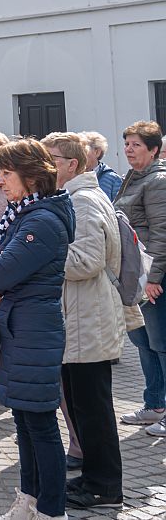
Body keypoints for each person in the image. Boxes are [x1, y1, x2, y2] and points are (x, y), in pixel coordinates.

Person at [0, 139, 73, 520]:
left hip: (34, 330)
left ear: (31, 176)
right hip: (22, 328)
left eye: (7, 173)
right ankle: (29, 504)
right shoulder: (27, 212)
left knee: (41, 426)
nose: (1, 181)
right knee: (25, 422)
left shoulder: (41, 221)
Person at [41, 132, 124, 507]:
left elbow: (86, 262)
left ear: (71, 164)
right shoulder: (73, 197)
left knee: (93, 410)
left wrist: (43, 254)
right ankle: (93, 477)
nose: (46, 167)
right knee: (80, 406)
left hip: (88, 319)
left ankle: (105, 486)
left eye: (52, 160)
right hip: (78, 318)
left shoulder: (84, 201)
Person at [114, 121, 166, 436]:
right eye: (127, 144)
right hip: (136, 275)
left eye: (136, 145)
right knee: (142, 341)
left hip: (153, 278)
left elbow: (162, 232)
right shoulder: (133, 177)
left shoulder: (157, 181)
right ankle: (154, 405)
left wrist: (153, 278)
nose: (129, 150)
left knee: (161, 344)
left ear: (154, 149)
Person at [79, 131, 123, 202]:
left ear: (97, 152)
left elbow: (120, 206)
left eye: (83, 150)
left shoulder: (113, 179)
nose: (78, 155)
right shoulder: (72, 177)